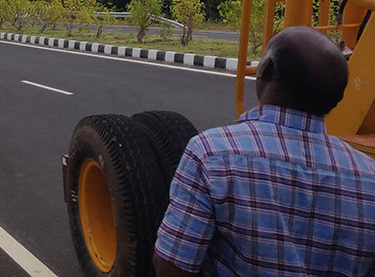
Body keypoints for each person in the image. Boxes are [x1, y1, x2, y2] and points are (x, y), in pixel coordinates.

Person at [154, 25, 375, 277]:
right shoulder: (368, 175)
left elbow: (172, 267)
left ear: (267, 70)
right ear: (337, 97)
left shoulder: (210, 154)